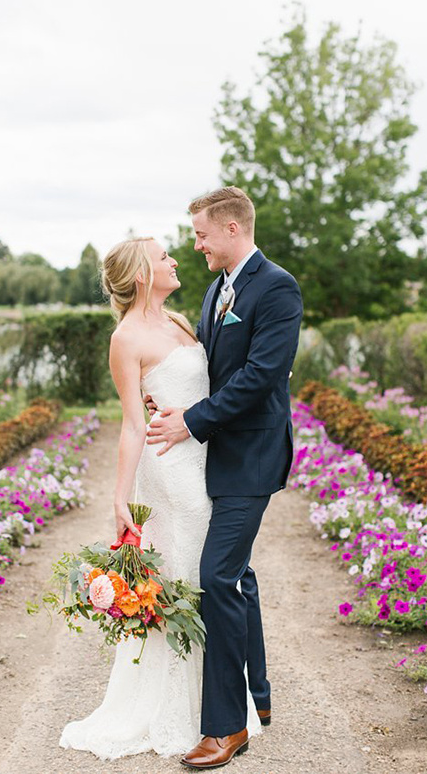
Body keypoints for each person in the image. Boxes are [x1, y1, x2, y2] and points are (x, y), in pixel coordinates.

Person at [59, 235, 261, 760]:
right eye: (164, 256)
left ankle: (219, 707)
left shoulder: (177, 321)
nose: (175, 260)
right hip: (171, 473)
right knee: (189, 578)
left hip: (205, 456)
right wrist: (120, 497)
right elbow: (131, 424)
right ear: (143, 274)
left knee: (211, 578)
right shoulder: (126, 338)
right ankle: (186, 712)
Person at [146, 186, 303, 769]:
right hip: (209, 461)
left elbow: (261, 375)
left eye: (201, 234)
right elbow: (205, 371)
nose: (196, 245)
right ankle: (258, 697)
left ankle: (224, 728)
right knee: (239, 574)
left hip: (252, 458)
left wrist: (192, 422)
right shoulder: (216, 290)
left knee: (216, 577)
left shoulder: (277, 286)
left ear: (232, 229)